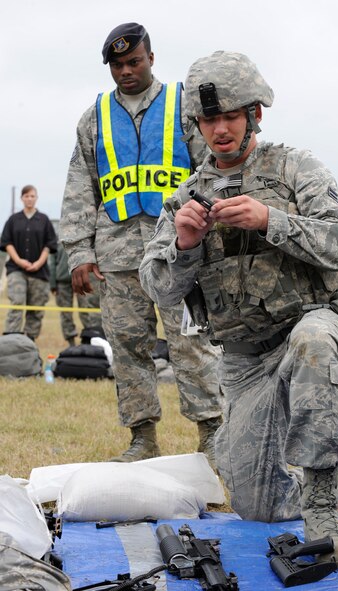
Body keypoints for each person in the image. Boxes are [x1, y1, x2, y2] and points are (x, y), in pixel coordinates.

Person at [139, 50, 338, 568]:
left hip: (312, 325)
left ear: (254, 114)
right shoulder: (187, 196)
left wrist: (270, 220)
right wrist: (186, 245)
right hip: (242, 362)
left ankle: (325, 511)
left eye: (230, 116)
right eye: (209, 119)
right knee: (258, 507)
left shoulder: (295, 168)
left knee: (315, 341)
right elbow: (160, 290)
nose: (219, 129)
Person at [60, 23, 222, 463]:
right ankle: (142, 438)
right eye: (117, 64)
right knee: (129, 348)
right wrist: (79, 251)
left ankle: (212, 434)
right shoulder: (93, 117)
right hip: (116, 256)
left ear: (151, 57)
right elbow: (80, 186)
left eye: (134, 61)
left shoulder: (182, 105)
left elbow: (212, 167)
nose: (126, 71)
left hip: (178, 251)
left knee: (191, 343)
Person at [0, 185, 57, 340]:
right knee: (17, 303)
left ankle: (28, 342)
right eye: (26, 196)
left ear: (36, 198)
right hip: (16, 269)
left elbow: (50, 245)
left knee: (36, 308)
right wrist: (19, 261)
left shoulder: (44, 220)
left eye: (32, 196)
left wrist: (38, 263)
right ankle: (11, 339)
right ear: (22, 198)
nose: (29, 199)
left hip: (39, 271)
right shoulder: (13, 220)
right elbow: (6, 242)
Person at [49, 239, 102, 347]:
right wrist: (52, 283)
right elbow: (52, 262)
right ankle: (71, 343)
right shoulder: (57, 240)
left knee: (87, 310)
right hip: (62, 281)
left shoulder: (84, 237)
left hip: (83, 279)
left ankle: (90, 339)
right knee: (65, 313)